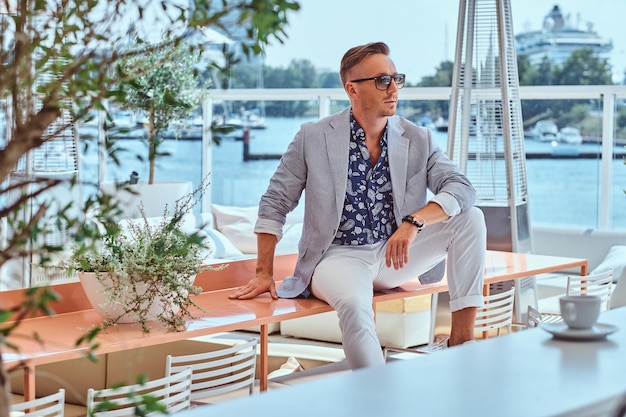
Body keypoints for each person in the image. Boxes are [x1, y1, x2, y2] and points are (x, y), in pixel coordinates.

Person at [229, 41, 486, 370]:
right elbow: (275, 202)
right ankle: (375, 394)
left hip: (395, 253)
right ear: (352, 88)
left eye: (396, 78)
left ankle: (462, 344)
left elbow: (462, 188)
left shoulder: (418, 137)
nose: (393, 89)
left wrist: (413, 222)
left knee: (471, 218)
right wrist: (264, 271)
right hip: (337, 258)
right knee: (354, 304)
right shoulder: (313, 136)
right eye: (382, 80)